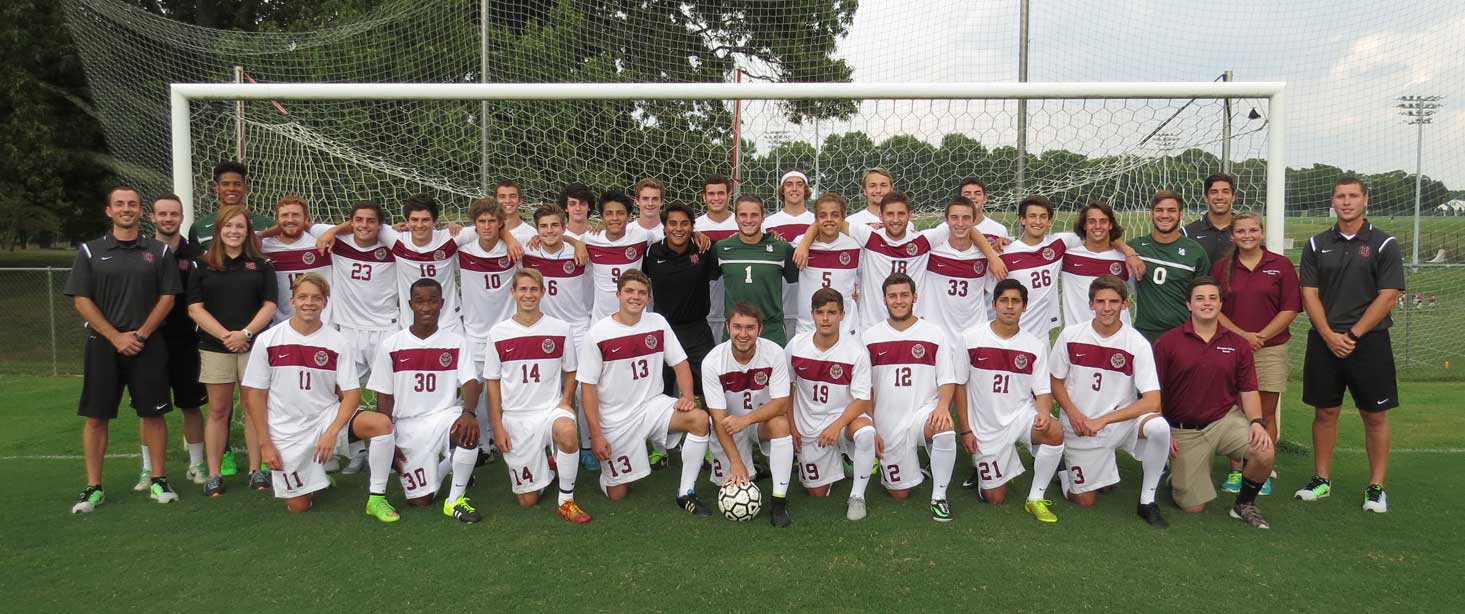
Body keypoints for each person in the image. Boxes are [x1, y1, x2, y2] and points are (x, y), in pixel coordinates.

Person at [241, 273, 400, 521]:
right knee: (299, 506)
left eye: (317, 298)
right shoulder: (268, 340)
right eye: (302, 297)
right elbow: (254, 396)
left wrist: (332, 431)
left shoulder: (337, 342)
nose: (309, 303)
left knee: (381, 425)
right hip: (286, 430)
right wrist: (265, 443)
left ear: (325, 303)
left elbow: (351, 395)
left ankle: (376, 497)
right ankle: (314, 480)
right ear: (292, 301)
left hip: (326, 418)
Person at [66, 186, 183, 513]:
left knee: (153, 413)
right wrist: (116, 336)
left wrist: (141, 334)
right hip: (103, 345)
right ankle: (93, 487)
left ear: (141, 211)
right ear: (109, 211)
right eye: (119, 204)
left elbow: (168, 298)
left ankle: (158, 479)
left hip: (148, 345)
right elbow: (81, 299)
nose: (126, 209)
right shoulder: (90, 251)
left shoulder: (158, 252)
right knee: (96, 416)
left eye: (132, 204)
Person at [1295, 177, 1404, 513]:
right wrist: (1329, 334)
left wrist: (1353, 334)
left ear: (1365, 200)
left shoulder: (1385, 243)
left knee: (1374, 415)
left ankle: (1376, 487)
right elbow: (1308, 293)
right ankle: (1321, 479)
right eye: (1340, 196)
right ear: (1332, 201)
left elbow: (1389, 295)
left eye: (1353, 196)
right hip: (1325, 341)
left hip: (1368, 343)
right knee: (1325, 412)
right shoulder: (1315, 244)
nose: (1346, 202)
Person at [577, 270, 713, 514]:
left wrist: (688, 396)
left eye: (641, 293)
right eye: (629, 291)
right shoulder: (597, 334)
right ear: (618, 294)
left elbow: (680, 363)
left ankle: (686, 492)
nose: (635, 297)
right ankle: (609, 478)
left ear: (649, 298)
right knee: (617, 494)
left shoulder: (657, 322)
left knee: (699, 419)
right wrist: (595, 435)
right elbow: (588, 389)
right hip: (616, 419)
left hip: (653, 406)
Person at [1152, 276, 1275, 529]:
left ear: (1220, 304)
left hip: (1224, 420)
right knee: (1193, 507)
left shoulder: (1237, 344)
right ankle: (1176, 475)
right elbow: (1155, 392)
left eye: (1212, 298)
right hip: (1184, 429)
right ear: (1188, 304)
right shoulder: (1168, 342)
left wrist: (1256, 422)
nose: (1206, 303)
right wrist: (1163, 431)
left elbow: (1249, 390)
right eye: (1199, 298)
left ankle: (1244, 504)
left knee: (1264, 451)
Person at [1048, 275, 1169, 528]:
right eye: (1100, 301)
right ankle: (1063, 470)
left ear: (1125, 304)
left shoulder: (1137, 343)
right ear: (1090, 304)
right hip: (1080, 426)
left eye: (1113, 301)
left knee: (1159, 427)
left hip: (1118, 423)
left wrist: (1103, 420)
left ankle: (1147, 501)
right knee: (1084, 500)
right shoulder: (1070, 335)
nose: (1107, 308)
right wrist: (1073, 414)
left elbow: (1152, 400)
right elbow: (1055, 381)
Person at [794, 192, 1004, 333]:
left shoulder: (923, 241)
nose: (895, 219)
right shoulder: (870, 237)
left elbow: (963, 225)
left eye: (901, 214)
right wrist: (804, 243)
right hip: (872, 326)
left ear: (910, 216)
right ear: (881, 216)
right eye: (890, 214)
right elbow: (831, 222)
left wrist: (992, 257)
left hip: (913, 325)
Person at [367, 279, 484, 523]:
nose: (427, 307)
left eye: (432, 301)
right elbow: (384, 397)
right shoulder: (391, 345)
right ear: (410, 304)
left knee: (468, 431)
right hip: (408, 425)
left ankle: (454, 501)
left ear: (442, 304)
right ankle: (452, 464)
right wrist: (388, 440)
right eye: (420, 302)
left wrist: (469, 412)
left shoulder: (456, 342)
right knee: (420, 501)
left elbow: (472, 382)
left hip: (444, 416)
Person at [483, 269, 592, 523]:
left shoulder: (561, 328)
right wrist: (497, 427)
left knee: (567, 431)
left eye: (534, 289)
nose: (528, 295)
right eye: (522, 289)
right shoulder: (498, 333)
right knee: (527, 500)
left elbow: (571, 370)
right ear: (513, 293)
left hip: (550, 410)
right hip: (516, 417)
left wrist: (566, 400)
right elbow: (492, 384)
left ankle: (566, 501)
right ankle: (550, 467)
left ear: (543, 292)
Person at [954, 279, 1066, 523]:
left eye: (1016, 301)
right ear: (994, 304)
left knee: (1055, 432)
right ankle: (991, 468)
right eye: (1004, 300)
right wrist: (966, 430)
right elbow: (959, 387)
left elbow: (1043, 391)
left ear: (1024, 307)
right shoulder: (970, 338)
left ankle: (1035, 497)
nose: (1009, 306)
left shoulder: (1034, 346)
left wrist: (1045, 413)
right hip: (985, 426)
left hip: (1020, 417)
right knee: (995, 498)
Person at [187, 205, 278, 495]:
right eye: (229, 226)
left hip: (253, 346)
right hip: (216, 347)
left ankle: (256, 469)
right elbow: (194, 308)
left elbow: (269, 305)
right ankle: (214, 473)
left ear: (247, 231)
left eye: (240, 226)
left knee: (254, 410)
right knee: (218, 410)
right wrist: (227, 336)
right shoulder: (202, 264)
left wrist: (246, 333)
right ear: (219, 230)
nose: (234, 231)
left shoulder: (262, 264)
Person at [314, 194, 494, 335]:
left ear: (435, 222)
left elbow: (490, 229)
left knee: (454, 379)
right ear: (407, 222)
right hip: (411, 324)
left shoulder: (451, 238)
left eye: (425, 220)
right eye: (414, 220)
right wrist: (333, 232)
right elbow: (363, 223)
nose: (419, 225)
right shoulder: (395, 239)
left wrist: (509, 241)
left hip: (449, 321)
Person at [861, 273, 961, 522]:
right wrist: (872, 426)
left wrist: (942, 407)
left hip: (923, 413)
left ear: (914, 297)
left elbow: (947, 379)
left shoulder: (934, 333)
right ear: (884, 299)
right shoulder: (869, 337)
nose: (899, 300)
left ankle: (939, 497)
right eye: (893, 296)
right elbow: (864, 390)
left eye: (904, 295)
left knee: (945, 429)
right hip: (887, 421)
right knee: (899, 493)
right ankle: (914, 467)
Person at [1212, 212, 1299, 495]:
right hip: (1231, 348)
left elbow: (1290, 308)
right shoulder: (1222, 267)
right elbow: (1215, 309)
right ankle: (1237, 470)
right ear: (1232, 235)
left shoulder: (1281, 265)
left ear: (1261, 233)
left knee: (1266, 413)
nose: (1247, 235)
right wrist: (1242, 336)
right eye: (1241, 231)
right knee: (1234, 410)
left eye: (1253, 230)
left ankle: (1260, 471)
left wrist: (1261, 336)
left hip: (1270, 348)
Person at [786, 288, 878, 520]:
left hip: (844, 420)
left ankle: (857, 496)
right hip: (810, 424)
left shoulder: (856, 350)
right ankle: (839, 461)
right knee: (815, 492)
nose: (825, 318)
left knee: (866, 433)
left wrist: (837, 426)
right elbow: (785, 389)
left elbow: (862, 399)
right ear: (812, 314)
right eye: (820, 312)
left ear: (842, 315)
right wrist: (792, 426)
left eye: (831, 312)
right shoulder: (796, 346)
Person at [701, 303, 796, 527]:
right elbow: (718, 418)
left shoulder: (773, 352)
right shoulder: (712, 362)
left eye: (750, 328)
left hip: (758, 422)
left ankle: (778, 500)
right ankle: (751, 465)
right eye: (737, 327)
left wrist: (746, 419)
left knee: (781, 425)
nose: (743, 334)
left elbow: (781, 403)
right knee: (733, 481)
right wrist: (736, 462)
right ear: (727, 327)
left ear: (760, 329)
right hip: (729, 427)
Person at [520, 204, 597, 472]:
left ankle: (586, 446)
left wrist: (575, 242)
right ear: (536, 230)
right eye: (543, 226)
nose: (549, 231)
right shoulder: (527, 251)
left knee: (582, 387)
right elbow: (502, 235)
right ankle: (549, 449)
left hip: (577, 328)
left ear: (564, 227)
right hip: (546, 331)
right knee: (547, 389)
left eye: (555, 225)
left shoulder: (580, 250)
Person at [139, 194, 207, 488]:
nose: (168, 219)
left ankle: (197, 464)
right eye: (162, 214)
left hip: (185, 341)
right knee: (149, 408)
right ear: (152, 217)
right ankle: (147, 469)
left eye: (174, 214)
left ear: (181, 218)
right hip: (148, 341)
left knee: (191, 405)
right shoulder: (140, 252)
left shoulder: (195, 256)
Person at [458, 197, 518, 463]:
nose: (486, 226)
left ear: (500, 223)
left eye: (492, 221)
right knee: (476, 389)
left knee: (513, 388)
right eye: (481, 221)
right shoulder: (463, 248)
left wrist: (511, 238)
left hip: (507, 331)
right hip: (474, 332)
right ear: (474, 224)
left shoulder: (516, 249)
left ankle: (509, 436)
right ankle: (481, 444)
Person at [643, 202, 718, 399]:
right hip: (664, 329)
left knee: (708, 388)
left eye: (684, 224)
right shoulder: (651, 252)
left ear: (692, 227)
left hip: (697, 330)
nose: (678, 228)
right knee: (660, 390)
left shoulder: (705, 249)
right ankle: (663, 428)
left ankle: (708, 428)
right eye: (673, 223)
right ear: (664, 226)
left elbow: (736, 244)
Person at [709, 195, 799, 345]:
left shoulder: (781, 248)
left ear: (763, 217)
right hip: (735, 329)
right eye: (743, 215)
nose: (749, 220)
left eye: (754, 215)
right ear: (736, 218)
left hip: (771, 330)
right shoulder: (721, 248)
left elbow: (798, 278)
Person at [1131, 190, 1211, 342]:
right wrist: (1127, 252)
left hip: (1182, 333)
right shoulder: (1136, 247)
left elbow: (1203, 295)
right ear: (1151, 213)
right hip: (1145, 334)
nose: (1165, 215)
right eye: (1159, 210)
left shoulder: (1195, 252)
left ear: (1181, 214)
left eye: (1171, 210)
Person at [917, 196, 993, 344]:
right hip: (937, 338)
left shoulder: (986, 257)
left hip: (973, 337)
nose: (960, 223)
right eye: (954, 218)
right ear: (946, 221)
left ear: (973, 220)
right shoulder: (930, 251)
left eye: (966, 218)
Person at [1059, 201, 1142, 328]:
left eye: (1103, 221)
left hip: (1117, 337)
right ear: (1084, 225)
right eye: (1092, 221)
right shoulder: (1067, 255)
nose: (1097, 226)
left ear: (1110, 225)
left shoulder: (1124, 259)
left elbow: (1141, 292)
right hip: (1079, 337)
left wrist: (1128, 252)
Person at [997, 195, 1067, 337]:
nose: (1037, 221)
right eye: (1032, 216)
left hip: (1042, 333)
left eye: (1043, 217)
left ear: (1049, 221)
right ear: (1023, 220)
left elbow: (1095, 235)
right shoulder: (1004, 253)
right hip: (1011, 331)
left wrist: (1126, 251)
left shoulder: (1058, 244)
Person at [794, 193, 861, 337]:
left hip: (845, 329)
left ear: (843, 218)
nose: (829, 220)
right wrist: (805, 243)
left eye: (835, 215)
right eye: (823, 215)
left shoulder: (855, 246)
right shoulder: (799, 244)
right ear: (816, 220)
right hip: (808, 328)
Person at [260, 196, 331, 325]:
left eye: (296, 215)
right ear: (277, 219)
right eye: (285, 215)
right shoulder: (264, 247)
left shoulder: (322, 242)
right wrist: (262, 234)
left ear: (306, 219)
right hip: (281, 325)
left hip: (323, 324)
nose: (290, 220)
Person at [584, 191, 652, 322]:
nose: (614, 218)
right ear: (602, 217)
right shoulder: (590, 239)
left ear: (629, 216)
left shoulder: (642, 237)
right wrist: (578, 243)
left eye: (620, 213)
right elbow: (562, 239)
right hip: (601, 321)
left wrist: (695, 235)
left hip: (635, 319)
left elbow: (669, 238)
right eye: (609, 213)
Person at [765, 170, 817, 334]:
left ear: (806, 190)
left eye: (799, 184)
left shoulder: (817, 220)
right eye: (789, 184)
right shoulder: (768, 223)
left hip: (810, 300)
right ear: (782, 190)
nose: (794, 189)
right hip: (779, 300)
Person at [186, 160, 272, 249]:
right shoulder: (199, 228)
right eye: (225, 184)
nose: (231, 188)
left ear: (245, 188)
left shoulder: (265, 225)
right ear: (217, 188)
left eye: (237, 184)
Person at [695, 175, 739, 338]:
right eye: (711, 194)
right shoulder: (694, 226)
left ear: (729, 195)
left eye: (720, 193)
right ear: (704, 197)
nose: (716, 198)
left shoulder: (743, 223)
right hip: (704, 308)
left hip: (738, 306)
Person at [1182, 173, 1238, 262]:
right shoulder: (1187, 233)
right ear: (1206, 198)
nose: (1220, 197)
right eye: (1214, 192)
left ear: (1233, 197)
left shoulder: (1246, 232)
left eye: (1225, 192)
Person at [955, 177, 1011, 244]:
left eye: (977, 193)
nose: (972, 197)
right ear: (959, 199)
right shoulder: (944, 229)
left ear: (985, 199)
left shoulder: (999, 230)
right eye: (967, 194)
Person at [495, 179, 538, 244]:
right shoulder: (486, 231)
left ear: (520, 201)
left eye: (512, 196)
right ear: (495, 201)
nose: (507, 201)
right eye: (502, 197)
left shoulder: (532, 234)